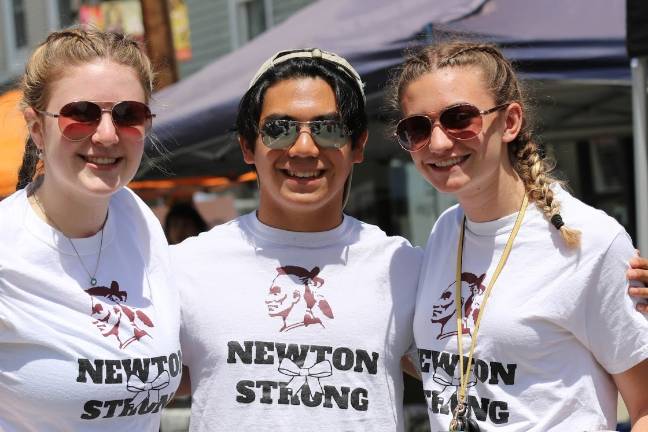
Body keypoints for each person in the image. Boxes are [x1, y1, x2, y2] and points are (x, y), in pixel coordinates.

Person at [388, 41, 648, 431]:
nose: (439, 143)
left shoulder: (588, 241)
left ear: (509, 122)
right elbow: (453, 361)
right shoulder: (445, 230)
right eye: (418, 128)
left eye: (460, 118)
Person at [172, 48, 421, 431]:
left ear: (357, 146)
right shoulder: (185, 267)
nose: (304, 148)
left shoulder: (402, 267)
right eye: (278, 129)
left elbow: (478, 377)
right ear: (246, 145)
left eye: (328, 128)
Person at [0, 29, 181, 430]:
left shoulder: (140, 222)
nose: (106, 134)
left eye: (128, 115)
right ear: (36, 128)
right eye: (80, 113)